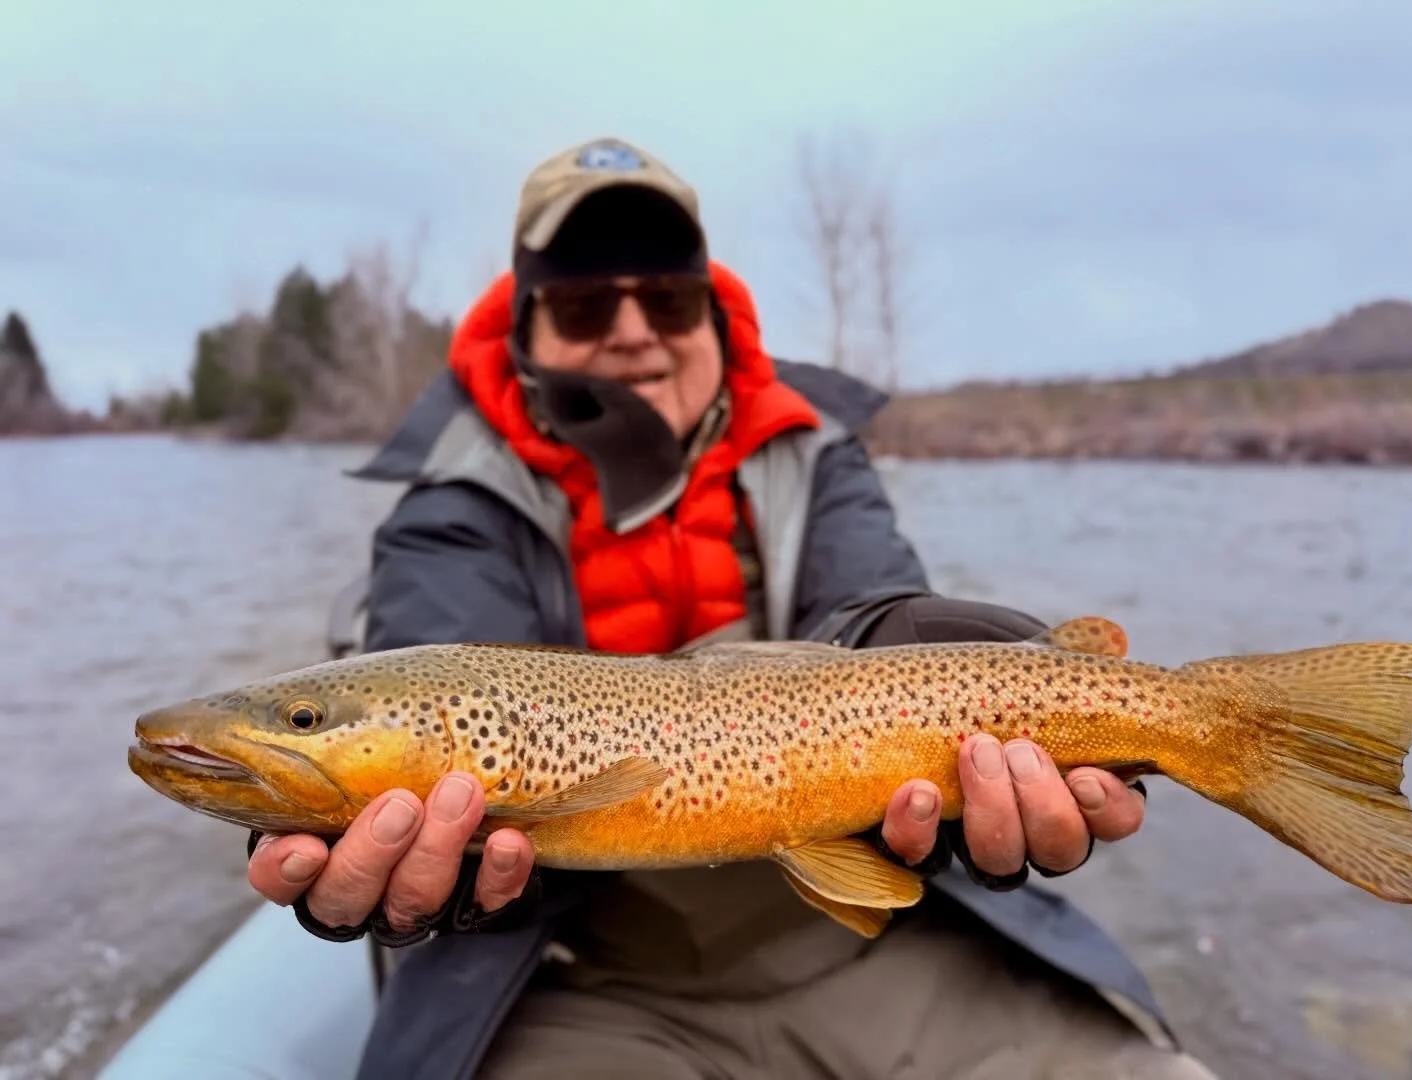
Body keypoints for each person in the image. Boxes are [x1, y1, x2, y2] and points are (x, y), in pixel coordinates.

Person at [245, 137, 1218, 1080]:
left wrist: (908, 642)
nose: (634, 331)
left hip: (870, 940)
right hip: (573, 975)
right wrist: (359, 829)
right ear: (524, 336)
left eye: (668, 300)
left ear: (713, 315)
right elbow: (430, 675)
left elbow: (864, 599)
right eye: (584, 306)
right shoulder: (450, 510)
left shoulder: (814, 454)